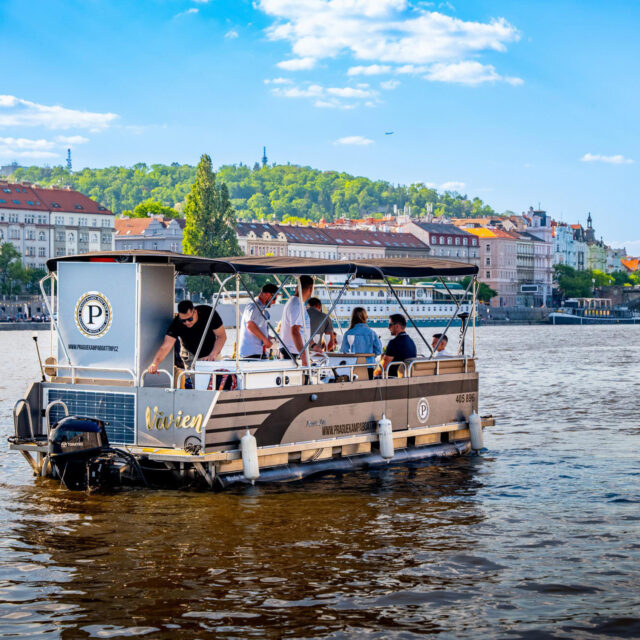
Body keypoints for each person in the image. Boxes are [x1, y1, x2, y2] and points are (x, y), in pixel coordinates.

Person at [148, 299, 226, 374]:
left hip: (212, 351)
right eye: (183, 320)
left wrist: (213, 354)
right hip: (190, 354)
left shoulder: (209, 313)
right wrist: (155, 363)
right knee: (196, 384)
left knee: (216, 381)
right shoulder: (177, 323)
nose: (187, 322)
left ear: (195, 312)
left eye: (190, 319)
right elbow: (166, 345)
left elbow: (221, 336)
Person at [238, 283, 279, 358]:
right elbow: (250, 325)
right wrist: (265, 340)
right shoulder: (253, 306)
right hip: (250, 353)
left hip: (258, 352)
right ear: (266, 294)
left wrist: (269, 338)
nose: (274, 302)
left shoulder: (263, 311)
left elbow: (258, 330)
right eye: (274, 299)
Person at [280, 275, 314, 365]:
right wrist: (303, 356)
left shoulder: (292, 302)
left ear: (297, 287)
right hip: (293, 351)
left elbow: (302, 330)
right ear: (310, 289)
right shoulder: (298, 305)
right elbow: (295, 331)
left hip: (291, 349)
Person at [341, 307, 382, 379]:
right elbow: (379, 351)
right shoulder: (372, 333)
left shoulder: (348, 333)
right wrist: (371, 355)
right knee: (368, 387)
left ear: (353, 318)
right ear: (365, 317)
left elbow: (343, 351)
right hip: (369, 366)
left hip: (353, 366)